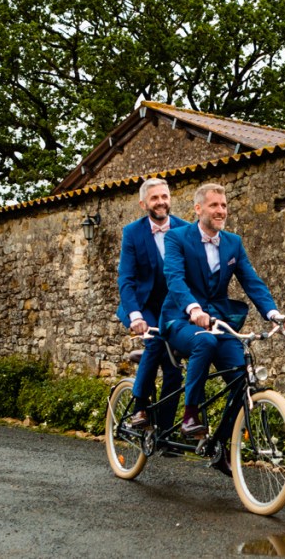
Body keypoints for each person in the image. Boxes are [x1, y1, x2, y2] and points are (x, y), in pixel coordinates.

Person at [160, 182, 284, 476]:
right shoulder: (177, 238)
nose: (221, 211)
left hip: (217, 318)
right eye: (214, 205)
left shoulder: (233, 243)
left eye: (224, 205)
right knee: (205, 343)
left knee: (242, 375)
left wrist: (273, 312)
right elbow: (175, 279)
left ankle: (221, 445)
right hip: (180, 318)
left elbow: (251, 281)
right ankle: (190, 415)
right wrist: (193, 309)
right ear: (198, 208)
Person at [116, 178, 189, 433]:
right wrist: (135, 316)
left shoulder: (186, 229)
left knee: (174, 371)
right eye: (155, 198)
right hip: (142, 305)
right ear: (143, 203)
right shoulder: (132, 232)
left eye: (164, 196)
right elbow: (126, 278)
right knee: (156, 342)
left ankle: (166, 432)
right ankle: (139, 408)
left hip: (171, 308)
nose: (161, 202)